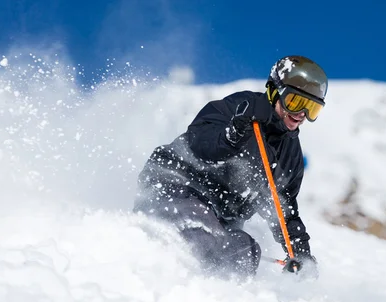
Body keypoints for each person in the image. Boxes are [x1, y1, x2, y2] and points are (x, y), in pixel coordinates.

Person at [133, 55, 328, 277]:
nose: (301, 115)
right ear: (275, 92)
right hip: (178, 187)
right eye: (295, 102)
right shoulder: (242, 109)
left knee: (244, 251)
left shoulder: (289, 155)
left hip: (221, 220)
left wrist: (300, 252)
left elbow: (284, 211)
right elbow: (199, 143)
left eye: (312, 109)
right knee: (220, 253)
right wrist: (232, 137)